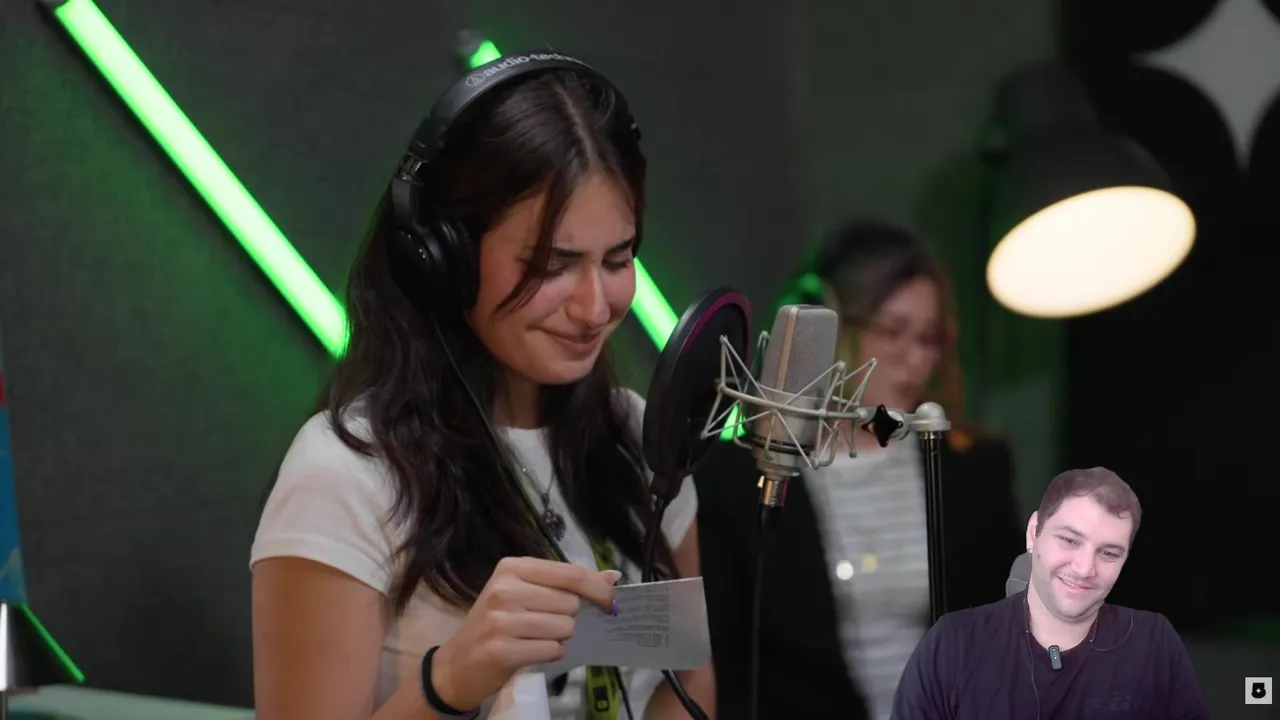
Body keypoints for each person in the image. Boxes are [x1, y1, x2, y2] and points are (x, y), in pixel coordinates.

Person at [249, 53, 716, 720]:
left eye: (617, 260)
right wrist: (450, 682)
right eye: (552, 265)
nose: (594, 307)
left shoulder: (637, 436)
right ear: (446, 259)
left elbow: (689, 683)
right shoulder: (345, 473)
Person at [694, 220, 1023, 719]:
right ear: (828, 328)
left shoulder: (972, 470)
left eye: (930, 338)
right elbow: (727, 670)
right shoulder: (737, 479)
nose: (916, 359)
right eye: (891, 332)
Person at [891, 467, 1210, 719]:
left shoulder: (1154, 643)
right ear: (1034, 532)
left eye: (1109, 553)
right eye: (1070, 540)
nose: (1085, 568)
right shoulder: (954, 643)